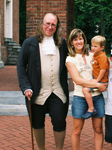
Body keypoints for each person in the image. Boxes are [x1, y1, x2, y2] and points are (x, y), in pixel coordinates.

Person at [17, 13, 69, 150]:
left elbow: (72, 62)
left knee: (59, 122)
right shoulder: (29, 43)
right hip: (36, 92)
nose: (50, 27)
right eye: (47, 23)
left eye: (53, 25)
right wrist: (26, 87)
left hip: (57, 92)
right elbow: (21, 66)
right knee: (37, 123)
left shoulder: (62, 43)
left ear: (57, 27)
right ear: (41, 24)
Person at [65, 29, 107, 150]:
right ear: (71, 42)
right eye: (75, 39)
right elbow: (77, 80)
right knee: (77, 130)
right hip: (80, 98)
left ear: (84, 40)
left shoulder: (93, 54)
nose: (79, 41)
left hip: (97, 96)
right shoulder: (70, 59)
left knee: (98, 129)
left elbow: (104, 67)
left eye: (81, 38)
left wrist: (105, 82)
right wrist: (97, 85)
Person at [82, 35, 109, 119]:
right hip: (98, 79)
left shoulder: (102, 57)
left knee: (85, 90)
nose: (92, 48)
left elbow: (103, 70)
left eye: (95, 46)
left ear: (102, 47)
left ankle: (91, 108)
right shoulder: (96, 55)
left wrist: (97, 81)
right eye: (92, 45)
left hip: (101, 81)